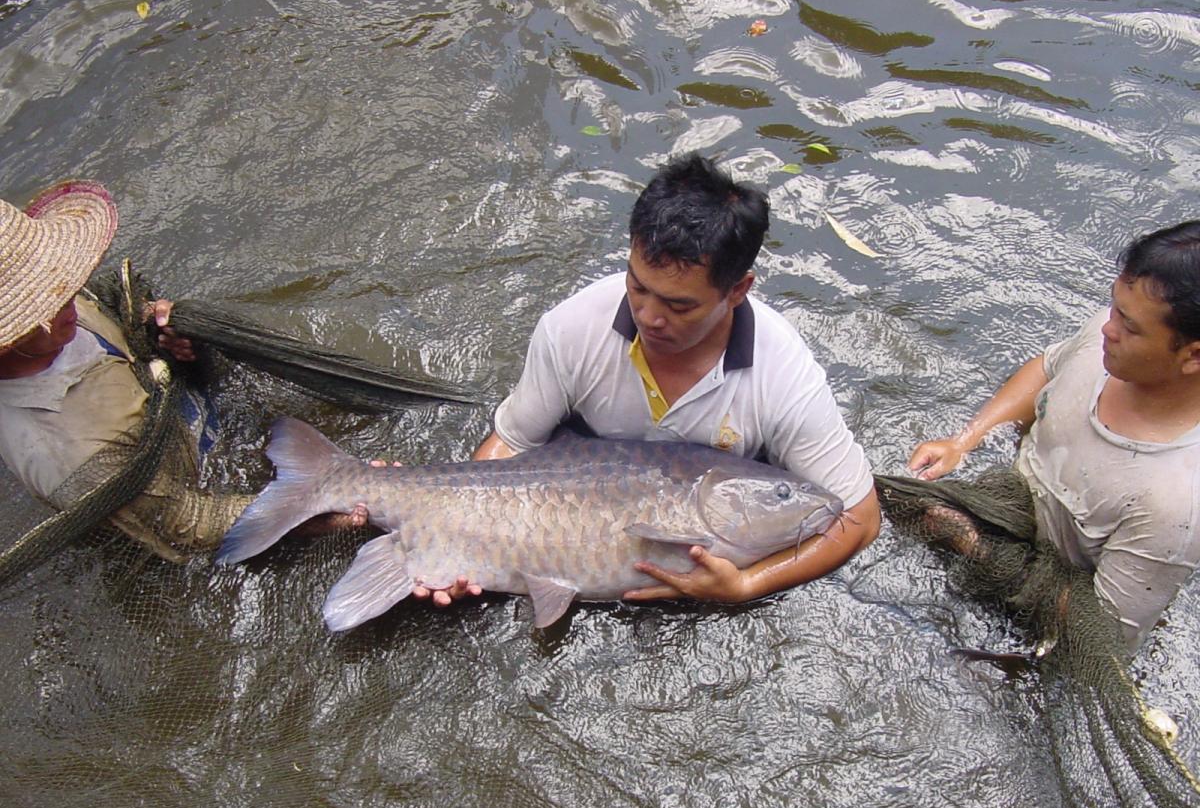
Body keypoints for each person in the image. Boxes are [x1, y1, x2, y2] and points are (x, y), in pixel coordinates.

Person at [415, 153, 881, 607]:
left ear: (737, 290)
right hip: (574, 487)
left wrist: (745, 585)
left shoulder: (782, 374)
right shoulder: (572, 329)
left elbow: (859, 519)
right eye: (637, 286)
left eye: (679, 306)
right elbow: (510, 447)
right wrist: (456, 543)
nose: (649, 317)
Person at [908, 220, 1200, 654]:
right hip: (1007, 512)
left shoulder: (1176, 504)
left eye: (1130, 326)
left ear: (1192, 355)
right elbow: (1049, 368)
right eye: (1114, 307)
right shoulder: (1113, 340)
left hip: (1036, 612)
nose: (1108, 328)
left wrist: (970, 544)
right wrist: (966, 440)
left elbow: (1099, 638)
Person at [0, 179, 246, 561]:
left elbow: (112, 303)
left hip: (197, 423)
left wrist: (159, 328)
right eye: (43, 306)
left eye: (60, 284)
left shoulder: (64, 308)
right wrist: (319, 507)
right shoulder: (67, 457)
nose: (70, 298)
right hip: (198, 493)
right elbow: (193, 524)